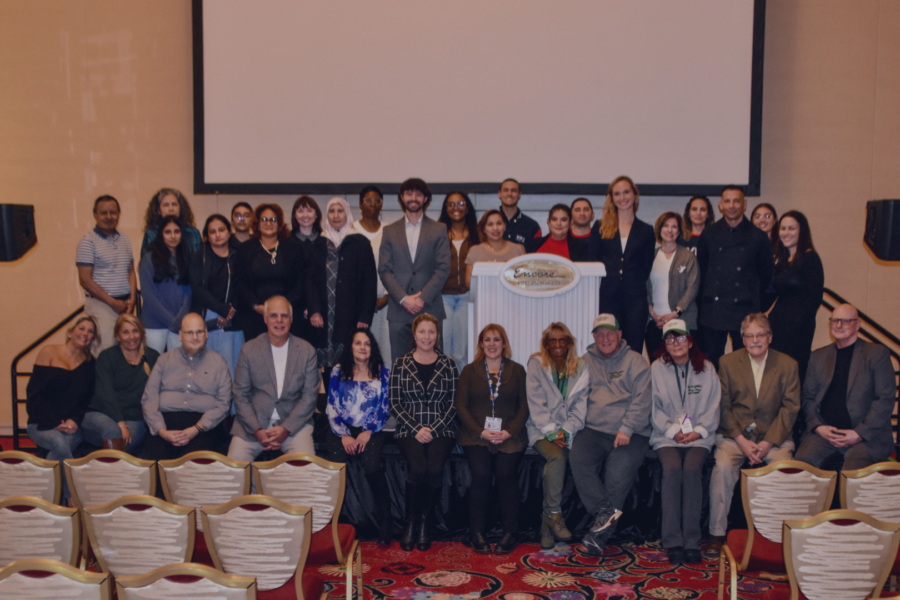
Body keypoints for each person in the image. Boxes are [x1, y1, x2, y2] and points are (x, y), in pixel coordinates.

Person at [707, 313, 799, 555]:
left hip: (774, 438)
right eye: (750, 336)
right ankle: (716, 533)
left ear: (769, 337)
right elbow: (723, 406)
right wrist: (741, 441)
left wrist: (768, 442)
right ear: (742, 339)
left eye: (760, 335)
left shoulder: (788, 364)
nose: (755, 340)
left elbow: (791, 408)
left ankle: (779, 536)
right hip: (735, 437)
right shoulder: (727, 362)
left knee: (785, 469)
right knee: (723, 467)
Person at [569, 314, 652, 556]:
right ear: (593, 337)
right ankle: (605, 512)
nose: (605, 338)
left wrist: (627, 428)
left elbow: (642, 401)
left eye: (610, 333)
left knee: (617, 472)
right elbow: (573, 395)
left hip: (632, 432)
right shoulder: (585, 361)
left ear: (620, 334)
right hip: (594, 430)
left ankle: (598, 537)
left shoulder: (637, 361)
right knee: (578, 457)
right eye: (600, 334)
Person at [650, 320, 720, 565]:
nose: (675, 343)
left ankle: (691, 540)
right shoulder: (657, 368)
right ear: (665, 345)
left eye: (680, 338)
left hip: (699, 437)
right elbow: (653, 407)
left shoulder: (707, 368)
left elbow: (714, 406)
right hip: (666, 436)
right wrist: (672, 431)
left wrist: (698, 431)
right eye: (670, 339)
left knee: (691, 471)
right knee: (671, 471)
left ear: (690, 342)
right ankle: (672, 541)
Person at [456, 324, 529, 555]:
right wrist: (480, 431)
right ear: (481, 344)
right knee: (481, 476)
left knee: (507, 476)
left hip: (509, 436)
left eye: (496, 339)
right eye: (487, 340)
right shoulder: (469, 370)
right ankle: (476, 533)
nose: (492, 344)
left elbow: (525, 407)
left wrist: (509, 431)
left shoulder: (517, 371)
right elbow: (461, 406)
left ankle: (510, 533)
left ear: (504, 343)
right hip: (476, 436)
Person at [794, 304, 895, 470]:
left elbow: (884, 400)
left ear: (857, 325)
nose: (838, 325)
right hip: (825, 434)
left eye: (845, 321)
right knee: (802, 463)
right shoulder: (818, 356)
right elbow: (808, 397)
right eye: (834, 321)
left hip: (865, 436)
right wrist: (818, 427)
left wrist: (859, 433)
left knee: (854, 468)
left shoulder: (877, 354)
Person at [389, 313, 458, 552]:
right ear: (414, 335)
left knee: (435, 468)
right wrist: (416, 428)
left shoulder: (449, 365)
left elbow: (454, 403)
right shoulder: (400, 364)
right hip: (409, 429)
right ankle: (411, 523)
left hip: (443, 429)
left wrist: (435, 428)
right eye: (422, 332)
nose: (427, 337)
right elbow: (394, 403)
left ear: (437, 335)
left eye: (431, 332)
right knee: (418, 467)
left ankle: (425, 525)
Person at [229, 296, 320, 460]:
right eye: (273, 315)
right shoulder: (248, 349)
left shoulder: (307, 351)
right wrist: (257, 430)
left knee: (307, 471)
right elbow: (240, 395)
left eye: (284, 316)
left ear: (291, 319)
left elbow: (309, 398)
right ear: (265, 318)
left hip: (294, 426)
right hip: (252, 427)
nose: (279, 321)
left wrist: (286, 429)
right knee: (234, 469)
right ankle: (256, 487)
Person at [326, 328, 392, 546]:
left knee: (372, 465)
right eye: (358, 343)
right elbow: (332, 406)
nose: (363, 347)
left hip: (371, 428)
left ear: (372, 348)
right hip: (342, 428)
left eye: (367, 343)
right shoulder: (337, 371)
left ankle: (385, 524)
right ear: (351, 347)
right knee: (336, 466)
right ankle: (330, 525)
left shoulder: (383, 372)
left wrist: (367, 431)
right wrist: (344, 435)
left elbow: (384, 408)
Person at [525, 322, 588, 550]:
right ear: (547, 345)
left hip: (569, 430)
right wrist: (552, 431)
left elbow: (580, 407)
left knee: (570, 458)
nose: (558, 344)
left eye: (563, 340)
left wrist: (566, 431)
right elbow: (536, 404)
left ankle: (546, 526)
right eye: (553, 340)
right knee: (557, 458)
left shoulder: (581, 367)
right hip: (540, 429)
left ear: (569, 343)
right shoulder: (536, 363)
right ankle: (555, 514)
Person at [696, 186, 775, 369]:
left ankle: (743, 398)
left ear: (745, 204)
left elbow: (766, 275)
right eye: (727, 201)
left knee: (744, 364)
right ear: (720, 205)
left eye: (736, 201)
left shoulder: (758, 237)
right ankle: (714, 399)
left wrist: (755, 303)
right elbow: (703, 271)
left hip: (744, 310)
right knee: (710, 364)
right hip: (713, 312)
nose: (732, 205)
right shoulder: (709, 234)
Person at [304, 197, 377, 384]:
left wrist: (365, 316)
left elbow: (369, 282)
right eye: (331, 211)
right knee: (326, 363)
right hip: (323, 315)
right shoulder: (317, 243)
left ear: (347, 214)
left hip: (350, 314)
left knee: (348, 359)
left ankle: (349, 405)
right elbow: (309, 281)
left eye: (340, 211)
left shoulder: (360, 243)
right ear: (326, 215)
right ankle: (331, 407)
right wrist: (314, 309)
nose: (336, 215)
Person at [141, 313, 232, 460]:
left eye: (199, 332)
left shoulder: (219, 363)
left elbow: (224, 404)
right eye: (189, 332)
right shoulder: (164, 360)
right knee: (154, 465)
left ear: (206, 334)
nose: (195, 337)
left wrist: (197, 428)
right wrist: (161, 430)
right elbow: (148, 399)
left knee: (191, 469)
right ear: (180, 335)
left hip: (203, 427)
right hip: (164, 424)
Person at [378, 178, 451, 362]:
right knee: (400, 363)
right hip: (399, 308)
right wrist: (403, 298)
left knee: (432, 364)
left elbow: (443, 268)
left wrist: (422, 298)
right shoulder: (389, 231)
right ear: (401, 198)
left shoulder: (439, 229)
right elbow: (384, 269)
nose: (413, 198)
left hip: (429, 306)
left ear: (426, 199)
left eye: (418, 194)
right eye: (409, 193)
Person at [26, 315, 98, 499]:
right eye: (82, 328)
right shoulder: (48, 352)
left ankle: (45, 498)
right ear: (71, 331)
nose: (85, 333)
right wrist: (54, 423)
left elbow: (84, 400)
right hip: (41, 423)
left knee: (56, 452)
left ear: (93, 338)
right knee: (59, 443)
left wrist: (74, 420)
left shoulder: (90, 364)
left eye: (90, 331)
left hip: (72, 426)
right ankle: (73, 496)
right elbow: (34, 395)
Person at [591, 176, 656, 353]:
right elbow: (595, 262)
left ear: (635, 195)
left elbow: (646, 266)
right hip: (607, 298)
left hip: (635, 299)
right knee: (608, 346)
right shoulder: (600, 227)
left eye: (626, 192)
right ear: (611, 198)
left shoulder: (646, 230)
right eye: (617, 194)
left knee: (633, 347)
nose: (622, 197)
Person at [81, 314, 159, 453]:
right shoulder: (107, 356)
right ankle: (111, 474)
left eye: (135, 331)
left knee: (123, 442)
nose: (131, 336)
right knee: (112, 431)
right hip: (101, 413)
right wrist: (121, 424)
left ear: (141, 333)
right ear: (118, 336)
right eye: (125, 332)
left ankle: (105, 472)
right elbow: (105, 394)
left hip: (135, 418)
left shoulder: (153, 357)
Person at [235, 203, 311, 342]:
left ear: (280, 224)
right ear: (257, 224)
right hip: (256, 315)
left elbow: (301, 280)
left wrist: (282, 307)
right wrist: (256, 306)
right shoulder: (245, 249)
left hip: (288, 314)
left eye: (273, 220)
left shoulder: (294, 248)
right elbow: (239, 283)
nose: (268, 223)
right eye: (264, 220)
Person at [767, 211, 824, 385]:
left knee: (795, 373)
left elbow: (815, 297)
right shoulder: (782, 260)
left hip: (798, 326)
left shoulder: (810, 258)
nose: (786, 232)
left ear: (802, 231)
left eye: (791, 228)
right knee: (777, 373)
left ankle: (796, 413)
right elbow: (779, 294)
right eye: (783, 228)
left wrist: (798, 322)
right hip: (778, 324)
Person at [76, 195, 137, 351]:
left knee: (126, 351)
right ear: (95, 214)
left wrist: (132, 299)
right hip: (102, 306)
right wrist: (112, 302)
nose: (109, 217)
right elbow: (85, 280)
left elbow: (130, 271)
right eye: (104, 213)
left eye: (113, 212)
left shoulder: (124, 238)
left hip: (125, 306)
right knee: (105, 352)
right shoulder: (88, 241)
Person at [190, 214, 243, 377]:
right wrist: (221, 309)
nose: (218, 234)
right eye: (212, 231)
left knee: (235, 368)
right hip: (210, 315)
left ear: (229, 231)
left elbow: (243, 284)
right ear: (207, 235)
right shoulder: (200, 256)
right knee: (214, 369)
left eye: (221, 230)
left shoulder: (239, 254)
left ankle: (233, 404)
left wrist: (230, 309)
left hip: (235, 315)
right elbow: (197, 288)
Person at [645, 213, 700, 357]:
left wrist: (675, 313)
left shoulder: (688, 256)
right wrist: (653, 314)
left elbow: (692, 287)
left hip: (682, 320)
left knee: (683, 363)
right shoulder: (651, 256)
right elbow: (643, 287)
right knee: (657, 366)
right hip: (655, 322)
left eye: (674, 226)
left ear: (679, 231)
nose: (670, 230)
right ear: (659, 229)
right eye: (666, 225)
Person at [438, 191, 480, 371]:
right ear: (446, 208)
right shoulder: (438, 232)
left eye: (460, 203)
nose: (456, 208)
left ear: (467, 206)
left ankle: (461, 394)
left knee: (462, 351)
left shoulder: (478, 234)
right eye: (451, 204)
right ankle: (443, 392)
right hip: (443, 297)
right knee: (442, 348)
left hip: (467, 298)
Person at [139, 216, 192, 354]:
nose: (173, 236)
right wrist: (171, 321)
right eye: (168, 232)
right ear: (161, 234)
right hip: (154, 325)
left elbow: (189, 292)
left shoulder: (187, 258)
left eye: (177, 231)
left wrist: (180, 320)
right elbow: (149, 295)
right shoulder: (148, 259)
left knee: (177, 368)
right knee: (152, 367)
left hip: (180, 324)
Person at [355, 185, 392, 362]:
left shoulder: (390, 232)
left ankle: (384, 388)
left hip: (384, 301)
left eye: (377, 201)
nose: (373, 205)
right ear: (360, 204)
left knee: (384, 350)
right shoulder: (350, 231)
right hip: (357, 304)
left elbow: (397, 267)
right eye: (368, 201)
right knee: (358, 349)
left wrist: (387, 296)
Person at [464, 210, 526, 289]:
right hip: (484, 298)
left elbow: (525, 280)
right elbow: (468, 282)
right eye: (490, 224)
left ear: (505, 226)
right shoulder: (475, 251)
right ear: (484, 229)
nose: (495, 228)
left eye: (499, 223)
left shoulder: (518, 249)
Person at [140, 188, 202, 256]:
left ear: (180, 208)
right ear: (158, 210)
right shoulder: (151, 233)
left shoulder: (193, 233)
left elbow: (199, 262)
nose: (171, 209)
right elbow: (145, 262)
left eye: (174, 204)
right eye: (166, 205)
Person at [751, 202, 779, 311]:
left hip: (775, 298)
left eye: (767, 216)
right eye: (758, 217)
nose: (762, 220)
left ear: (775, 220)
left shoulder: (783, 247)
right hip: (751, 299)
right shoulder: (746, 246)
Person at [498, 178, 541, 245]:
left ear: (519, 194)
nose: (509, 194)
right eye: (506, 190)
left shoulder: (532, 226)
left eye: (514, 190)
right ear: (499, 194)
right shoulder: (486, 224)